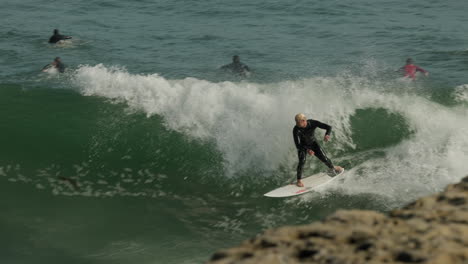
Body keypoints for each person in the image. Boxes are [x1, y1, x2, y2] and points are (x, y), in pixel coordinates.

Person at [292, 113, 343, 187]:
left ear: (303, 121)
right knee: (302, 161)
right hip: (303, 147)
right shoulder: (296, 129)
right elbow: (298, 145)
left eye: (298, 122)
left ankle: (333, 167)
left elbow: (328, 127)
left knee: (324, 158)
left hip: (313, 143)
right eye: (296, 122)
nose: (296, 124)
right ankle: (299, 180)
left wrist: (327, 134)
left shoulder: (312, 123)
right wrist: (308, 150)